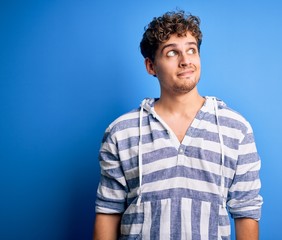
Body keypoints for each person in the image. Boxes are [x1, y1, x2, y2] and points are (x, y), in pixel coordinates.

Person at [93, 10, 263, 240]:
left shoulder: (237, 129)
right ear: (151, 66)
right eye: (172, 52)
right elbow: (108, 211)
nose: (185, 61)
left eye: (191, 50)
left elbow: (247, 211)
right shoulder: (121, 132)